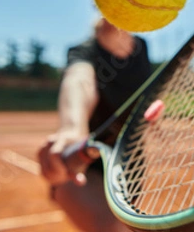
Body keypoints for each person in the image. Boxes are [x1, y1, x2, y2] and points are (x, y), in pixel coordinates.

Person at [38, 17, 152, 232]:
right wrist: (73, 128)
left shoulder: (141, 49)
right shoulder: (84, 52)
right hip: (83, 164)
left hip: (130, 165)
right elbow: (79, 81)